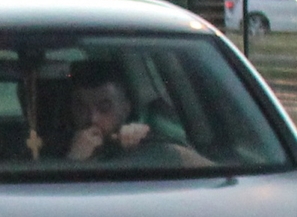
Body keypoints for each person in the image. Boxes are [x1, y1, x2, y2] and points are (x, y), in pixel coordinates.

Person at [65, 59, 207, 166]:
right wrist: (73, 160)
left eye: (104, 108)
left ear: (126, 109)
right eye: (81, 108)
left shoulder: (148, 142)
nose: (92, 118)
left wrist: (150, 141)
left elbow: (208, 167)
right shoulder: (50, 150)